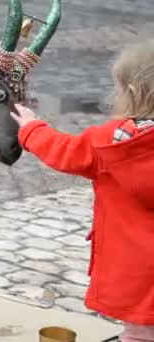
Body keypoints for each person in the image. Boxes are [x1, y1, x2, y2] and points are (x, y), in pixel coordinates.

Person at [11, 41, 154, 342]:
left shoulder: (113, 143)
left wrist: (31, 128)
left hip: (134, 272)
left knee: (139, 332)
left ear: (130, 93)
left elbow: (64, 151)